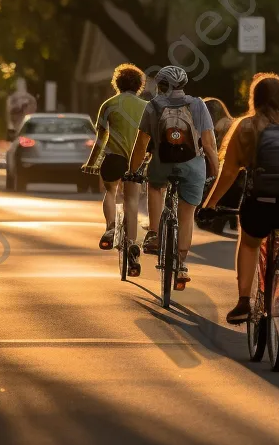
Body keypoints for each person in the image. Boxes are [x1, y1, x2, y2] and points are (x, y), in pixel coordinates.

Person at [201, 72, 279, 324]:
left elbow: (228, 173)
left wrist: (210, 205)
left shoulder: (246, 126)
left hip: (259, 208)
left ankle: (243, 302)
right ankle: (278, 276)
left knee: (249, 242)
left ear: (254, 98)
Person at [129, 65, 219, 290]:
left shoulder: (153, 106)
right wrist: (216, 172)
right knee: (187, 215)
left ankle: (156, 233)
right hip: (193, 167)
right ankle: (181, 265)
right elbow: (208, 144)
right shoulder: (198, 105)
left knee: (155, 187)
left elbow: (141, 144)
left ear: (160, 86)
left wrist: (132, 170)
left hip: (162, 164)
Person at [80, 63, 150, 276]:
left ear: (117, 83)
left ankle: (110, 227)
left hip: (114, 159)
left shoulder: (108, 104)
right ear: (139, 85)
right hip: (136, 161)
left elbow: (101, 138)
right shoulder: (147, 107)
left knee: (110, 192)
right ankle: (133, 249)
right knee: (132, 201)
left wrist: (92, 163)